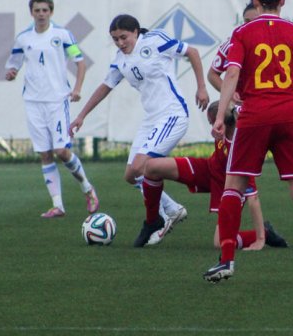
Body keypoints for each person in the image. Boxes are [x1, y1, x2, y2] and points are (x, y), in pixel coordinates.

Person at [203, 0, 293, 285]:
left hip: (254, 117)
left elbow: (231, 73)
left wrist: (220, 115)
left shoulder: (242, 32)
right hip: (290, 116)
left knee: (233, 186)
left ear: (256, 1)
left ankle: (226, 261)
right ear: (283, 1)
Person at [69, 14, 210, 242]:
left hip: (172, 114)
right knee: (130, 175)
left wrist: (201, 88)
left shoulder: (154, 41)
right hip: (151, 120)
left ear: (135, 32)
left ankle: (159, 219)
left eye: (124, 37)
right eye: (115, 39)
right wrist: (81, 116)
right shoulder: (120, 59)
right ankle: (172, 209)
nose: (120, 43)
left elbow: (192, 52)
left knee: (140, 167)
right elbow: (105, 86)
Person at [136, 101, 289, 250]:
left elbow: (253, 197)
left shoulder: (240, 148)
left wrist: (260, 238)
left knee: (220, 242)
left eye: (211, 123)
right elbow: (230, 92)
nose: (212, 127)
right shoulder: (230, 116)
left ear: (221, 121)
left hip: (230, 186)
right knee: (152, 167)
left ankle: (265, 233)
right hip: (210, 169)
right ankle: (153, 221)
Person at [5, 0, 98, 218]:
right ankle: (58, 205)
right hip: (33, 102)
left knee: (61, 151)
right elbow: (13, 64)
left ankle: (87, 188)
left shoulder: (61, 35)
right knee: (45, 154)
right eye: (37, 10)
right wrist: (11, 72)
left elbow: (80, 63)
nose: (41, 14)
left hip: (56, 101)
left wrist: (77, 89)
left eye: (45, 10)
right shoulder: (23, 38)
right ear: (31, 12)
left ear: (51, 12)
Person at [209, 0, 293, 115]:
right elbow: (212, 74)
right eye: (246, 21)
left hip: (281, 108)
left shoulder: (284, 42)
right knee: (216, 111)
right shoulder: (234, 43)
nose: (250, 25)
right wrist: (229, 93)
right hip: (246, 108)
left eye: (254, 21)